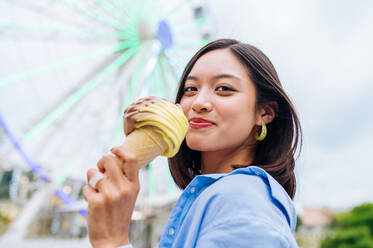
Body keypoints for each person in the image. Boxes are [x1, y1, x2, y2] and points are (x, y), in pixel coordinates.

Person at [83, 39, 302, 248]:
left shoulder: (243, 201)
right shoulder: (212, 198)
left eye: (224, 88)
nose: (198, 103)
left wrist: (112, 241)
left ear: (265, 112)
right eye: (190, 89)